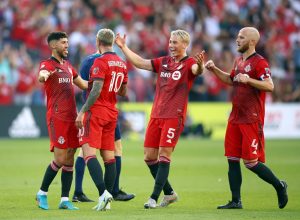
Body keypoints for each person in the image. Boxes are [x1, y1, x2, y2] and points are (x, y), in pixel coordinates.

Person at [115, 29, 205, 209]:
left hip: (174, 116)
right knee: (149, 157)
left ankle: (153, 198)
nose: (171, 45)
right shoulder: (163, 62)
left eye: (175, 43)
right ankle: (170, 194)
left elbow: (197, 70)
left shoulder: (189, 64)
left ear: (185, 45)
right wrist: (124, 47)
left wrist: (201, 66)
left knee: (164, 155)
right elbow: (141, 63)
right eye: (170, 42)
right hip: (156, 115)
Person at [205, 27, 288, 209]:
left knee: (251, 163)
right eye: (237, 37)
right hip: (235, 116)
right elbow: (231, 80)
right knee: (232, 159)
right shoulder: (239, 60)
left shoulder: (260, 63)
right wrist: (214, 69)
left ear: (252, 42)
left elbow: (269, 86)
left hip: (251, 117)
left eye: (241, 37)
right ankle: (236, 201)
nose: (237, 40)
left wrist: (248, 80)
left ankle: (279, 185)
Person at [72, 47, 135, 203]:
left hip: (97, 110)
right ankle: (110, 191)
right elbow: (119, 90)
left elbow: (85, 85)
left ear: (98, 42)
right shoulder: (117, 62)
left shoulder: (88, 61)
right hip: (104, 110)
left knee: (86, 151)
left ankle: (83, 192)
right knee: (109, 151)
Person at [36, 32, 88, 210]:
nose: (67, 45)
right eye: (63, 43)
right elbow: (42, 74)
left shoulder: (68, 66)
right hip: (56, 116)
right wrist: (43, 76)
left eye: (67, 42)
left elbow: (83, 84)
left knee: (69, 159)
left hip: (72, 118)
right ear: (53, 46)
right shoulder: (47, 64)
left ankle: (64, 199)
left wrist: (102, 82)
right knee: (59, 158)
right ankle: (42, 193)